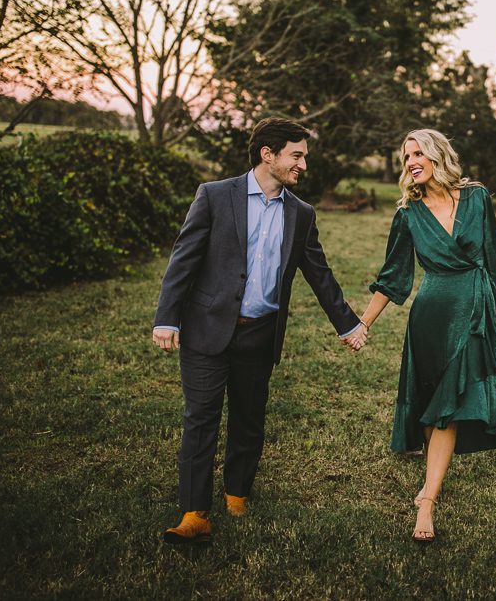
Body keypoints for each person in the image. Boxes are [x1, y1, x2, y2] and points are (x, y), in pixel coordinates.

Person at [152, 117, 368, 544]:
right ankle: (194, 512)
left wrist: (348, 324)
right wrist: (166, 317)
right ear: (268, 154)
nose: (303, 165)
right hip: (207, 327)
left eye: (304, 156)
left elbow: (319, 273)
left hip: (260, 332)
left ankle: (237, 493)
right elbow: (184, 258)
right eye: (297, 155)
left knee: (249, 417)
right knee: (201, 418)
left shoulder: (301, 213)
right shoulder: (215, 195)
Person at [359, 128, 496, 542]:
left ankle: (427, 502)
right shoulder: (407, 214)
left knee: (449, 405)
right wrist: (363, 323)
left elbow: (492, 254)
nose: (411, 162)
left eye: (417, 153)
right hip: (431, 316)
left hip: (473, 309)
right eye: (406, 157)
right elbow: (392, 278)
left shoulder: (477, 197)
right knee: (433, 401)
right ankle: (432, 478)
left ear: (437, 155)